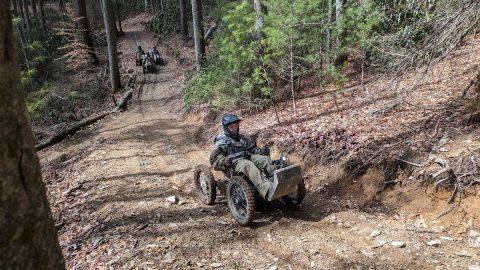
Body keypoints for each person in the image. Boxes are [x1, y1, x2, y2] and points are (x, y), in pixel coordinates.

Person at [209, 113, 276, 199]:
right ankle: (268, 190)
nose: (234, 129)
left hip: (247, 157)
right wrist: (224, 161)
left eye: (236, 126)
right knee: (248, 165)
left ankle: (278, 179)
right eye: (231, 127)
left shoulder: (242, 138)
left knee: (265, 159)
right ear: (226, 128)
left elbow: (252, 149)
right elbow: (214, 161)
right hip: (232, 165)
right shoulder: (221, 142)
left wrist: (261, 151)